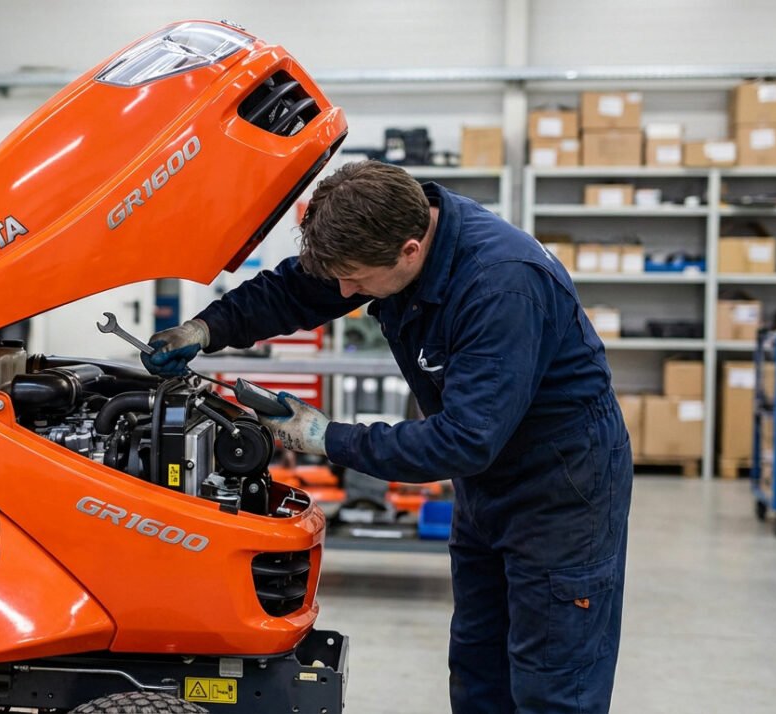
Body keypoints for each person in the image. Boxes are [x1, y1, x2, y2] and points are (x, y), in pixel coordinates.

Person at [143, 160, 633, 713]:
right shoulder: (390, 236)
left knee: (551, 679)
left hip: (561, 485)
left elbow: (463, 440)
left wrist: (327, 437)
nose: (345, 292)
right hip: (487, 483)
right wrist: (206, 328)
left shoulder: (501, 285)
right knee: (479, 666)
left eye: (354, 279)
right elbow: (297, 292)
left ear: (409, 250)